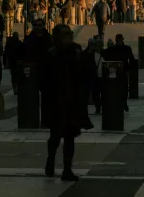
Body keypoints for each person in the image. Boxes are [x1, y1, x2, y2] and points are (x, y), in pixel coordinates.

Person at [39, 24, 90, 182]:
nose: (68, 38)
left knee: (70, 136)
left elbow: (83, 73)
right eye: (64, 35)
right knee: (55, 137)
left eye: (69, 34)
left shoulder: (76, 51)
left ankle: (67, 169)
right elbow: (43, 80)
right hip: (56, 102)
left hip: (71, 101)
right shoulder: (51, 54)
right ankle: (51, 159)